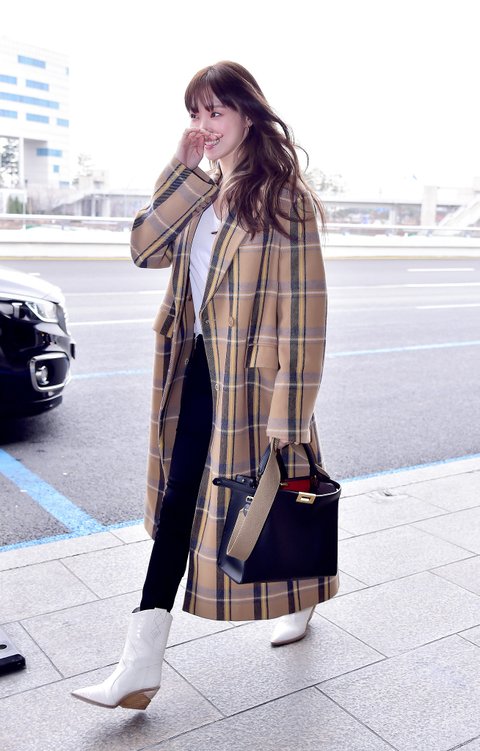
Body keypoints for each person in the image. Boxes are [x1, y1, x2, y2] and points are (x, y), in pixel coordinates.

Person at [71, 60, 339, 711]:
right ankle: (140, 667)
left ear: (249, 114)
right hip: (193, 368)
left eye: (216, 111)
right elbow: (144, 248)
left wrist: (290, 413)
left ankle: (299, 595)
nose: (204, 124)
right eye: (196, 112)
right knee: (179, 506)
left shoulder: (284, 198)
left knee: (283, 493)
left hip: (254, 380)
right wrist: (182, 168)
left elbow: (305, 312)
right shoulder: (201, 188)